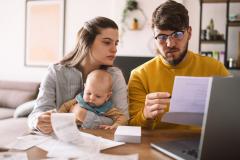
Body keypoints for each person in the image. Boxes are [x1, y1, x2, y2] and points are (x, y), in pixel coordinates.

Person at [128, 0, 230, 129]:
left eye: (177, 34)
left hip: (203, 144)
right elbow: (132, 128)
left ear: (189, 33)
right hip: (155, 147)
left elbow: (231, 116)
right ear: (154, 37)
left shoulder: (216, 69)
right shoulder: (139, 75)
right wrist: (145, 115)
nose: (170, 44)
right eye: (162, 37)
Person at [28, 17, 128, 134]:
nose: (114, 49)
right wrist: (37, 121)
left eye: (116, 43)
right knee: (25, 111)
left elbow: (124, 120)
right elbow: (36, 114)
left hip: (99, 144)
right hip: (59, 144)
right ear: (87, 42)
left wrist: (83, 115)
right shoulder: (55, 72)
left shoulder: (115, 76)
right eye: (107, 42)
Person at [58, 69, 128, 129]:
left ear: (107, 96)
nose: (91, 98)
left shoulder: (107, 108)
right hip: (72, 130)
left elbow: (122, 118)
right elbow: (65, 106)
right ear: (85, 88)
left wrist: (115, 126)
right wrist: (58, 118)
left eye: (98, 96)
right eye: (88, 93)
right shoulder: (79, 99)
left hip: (93, 133)